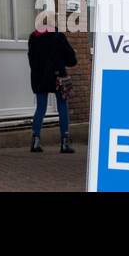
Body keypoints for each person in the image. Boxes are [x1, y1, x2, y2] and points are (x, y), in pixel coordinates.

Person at [27, 13, 78, 154]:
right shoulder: (58, 36)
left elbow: (31, 59)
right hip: (58, 77)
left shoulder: (33, 37)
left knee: (41, 108)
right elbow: (71, 60)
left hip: (39, 78)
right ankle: (64, 143)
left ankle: (35, 141)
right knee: (62, 107)